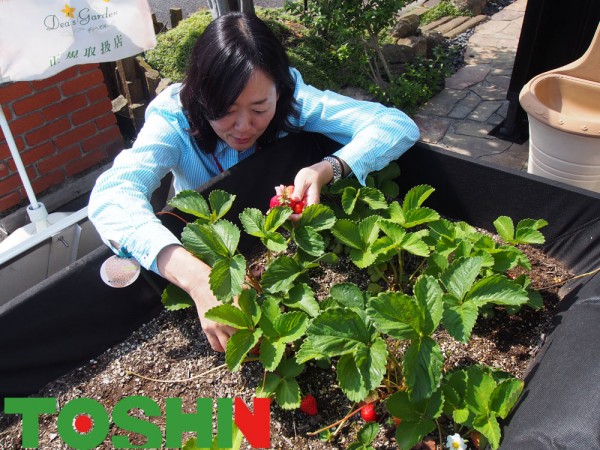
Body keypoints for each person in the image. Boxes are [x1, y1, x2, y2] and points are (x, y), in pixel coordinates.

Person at [89, 12, 419, 353]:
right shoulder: (174, 117)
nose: (243, 126)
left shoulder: (293, 102)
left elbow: (394, 125)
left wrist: (327, 169)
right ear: (201, 97)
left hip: (271, 232)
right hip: (211, 247)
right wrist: (198, 279)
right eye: (225, 110)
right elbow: (113, 195)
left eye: (259, 108)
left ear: (279, 88)